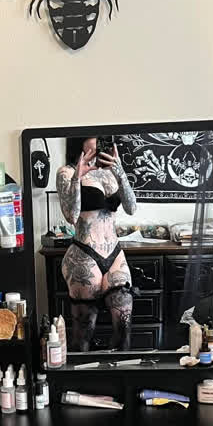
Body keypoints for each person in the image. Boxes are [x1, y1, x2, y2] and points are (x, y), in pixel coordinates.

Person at [56, 137, 137, 352]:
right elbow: (71, 216)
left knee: (124, 328)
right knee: (83, 333)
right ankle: (82, 373)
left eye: (99, 140)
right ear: (79, 143)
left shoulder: (109, 172)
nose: (97, 145)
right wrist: (78, 177)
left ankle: (119, 372)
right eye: (91, 140)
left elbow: (131, 208)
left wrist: (121, 173)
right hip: (84, 254)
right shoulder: (66, 172)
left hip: (114, 253)